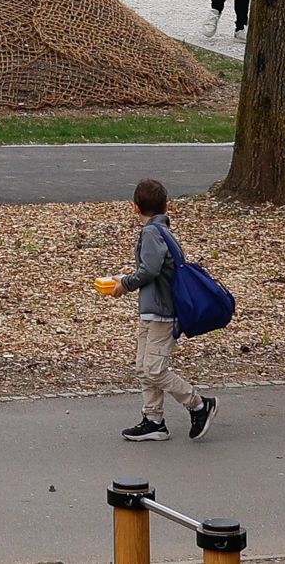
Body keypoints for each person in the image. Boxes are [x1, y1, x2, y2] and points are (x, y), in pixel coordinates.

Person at [108, 176, 215, 444]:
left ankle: (199, 405)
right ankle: (154, 420)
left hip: (161, 314)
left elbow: (150, 270)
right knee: (143, 368)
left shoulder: (152, 233)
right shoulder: (162, 231)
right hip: (151, 311)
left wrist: (125, 284)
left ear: (134, 207)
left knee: (154, 369)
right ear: (166, 206)